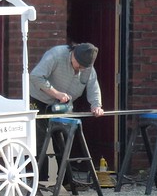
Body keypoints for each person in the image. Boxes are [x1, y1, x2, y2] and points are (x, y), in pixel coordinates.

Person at [30, 43, 104, 182]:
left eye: (84, 67)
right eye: (78, 65)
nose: (80, 68)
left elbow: (93, 86)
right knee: (39, 140)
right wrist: (56, 93)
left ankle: (66, 180)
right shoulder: (56, 55)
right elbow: (35, 76)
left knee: (64, 139)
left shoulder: (87, 67)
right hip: (39, 99)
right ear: (73, 53)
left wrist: (96, 105)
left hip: (62, 105)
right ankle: (40, 180)